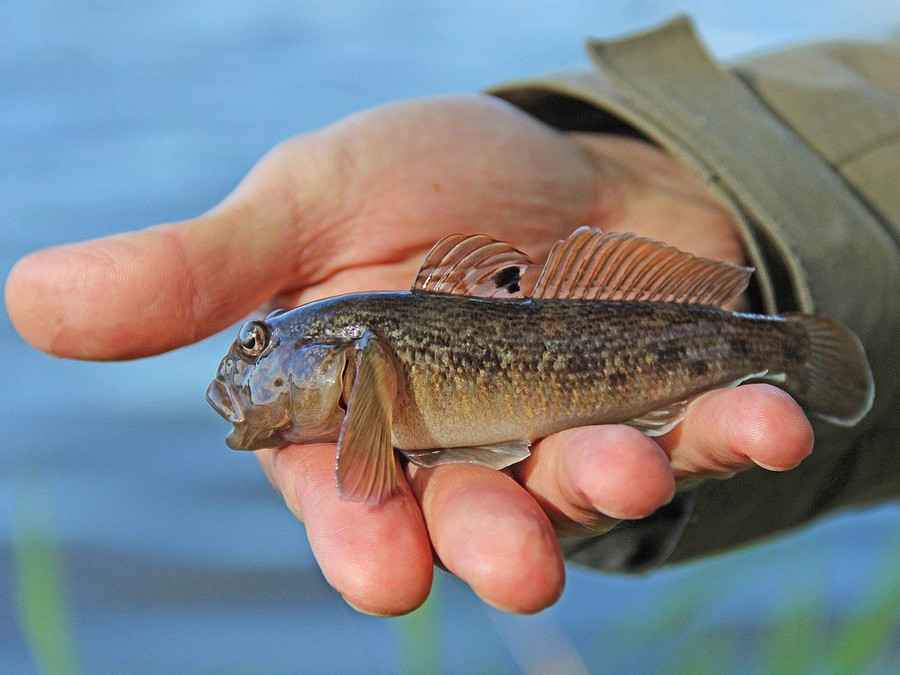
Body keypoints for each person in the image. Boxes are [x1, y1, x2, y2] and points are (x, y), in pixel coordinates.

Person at [5, 17, 899, 617]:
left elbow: (366, 481)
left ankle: (775, 351)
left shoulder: (365, 361)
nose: (247, 368)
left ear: (346, 355)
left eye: (258, 344)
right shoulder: (358, 348)